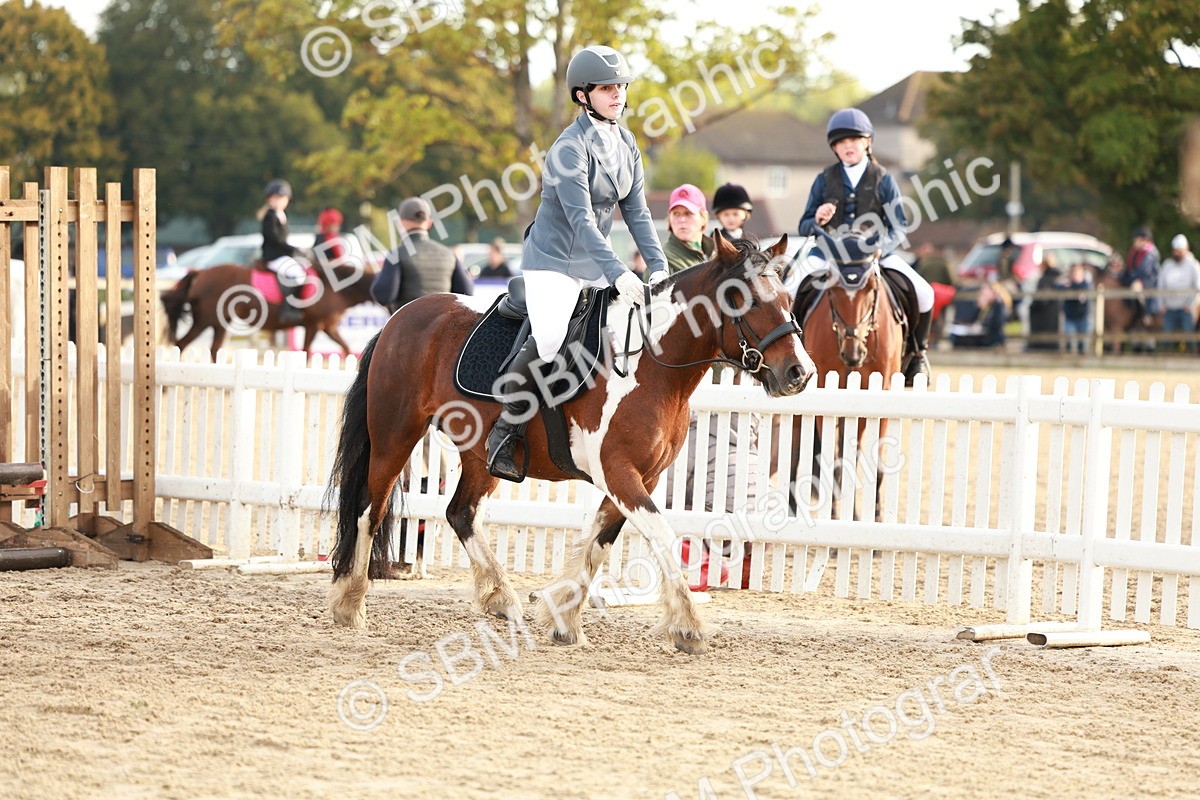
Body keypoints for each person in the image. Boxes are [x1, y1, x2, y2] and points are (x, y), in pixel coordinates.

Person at [485, 44, 668, 482]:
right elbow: (581, 219)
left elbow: (638, 212)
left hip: (595, 262)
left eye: (621, 87)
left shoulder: (626, 142)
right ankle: (504, 432)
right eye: (607, 89)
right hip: (553, 261)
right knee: (550, 340)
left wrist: (658, 265)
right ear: (583, 95)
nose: (618, 95)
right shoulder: (568, 148)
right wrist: (619, 271)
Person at [797, 108, 935, 384]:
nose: (847, 146)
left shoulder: (884, 179)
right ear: (834, 148)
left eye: (854, 140)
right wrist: (818, 220)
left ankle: (918, 354)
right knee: (790, 290)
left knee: (925, 292)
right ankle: (793, 353)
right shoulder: (824, 179)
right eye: (841, 142)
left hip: (874, 256)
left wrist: (880, 247)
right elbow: (803, 225)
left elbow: (899, 226)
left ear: (868, 142)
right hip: (830, 255)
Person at [370, 197, 459, 313]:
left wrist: (379, 276)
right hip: (444, 326)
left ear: (401, 223)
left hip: (408, 327)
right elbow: (466, 291)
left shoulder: (397, 254)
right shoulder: (449, 254)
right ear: (429, 223)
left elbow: (383, 296)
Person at [259, 179, 305, 324]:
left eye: (281, 198)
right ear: (269, 199)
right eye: (275, 198)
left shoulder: (281, 215)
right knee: (297, 274)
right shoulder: (270, 216)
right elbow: (275, 239)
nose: (278, 201)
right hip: (273, 256)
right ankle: (287, 308)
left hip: (281, 255)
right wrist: (293, 249)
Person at [1157, 234, 1200, 353]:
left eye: (1179, 251)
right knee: (1167, 337)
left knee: (1189, 336)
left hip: (1186, 308)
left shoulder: (1193, 265)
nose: (1177, 254)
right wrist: (1162, 304)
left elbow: (1197, 287)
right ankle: (1165, 360)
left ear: (1186, 250)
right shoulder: (1167, 265)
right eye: (1175, 251)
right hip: (1169, 307)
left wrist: (1190, 304)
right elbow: (1161, 286)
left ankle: (1191, 359)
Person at [1122, 227, 1161, 348]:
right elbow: (1129, 269)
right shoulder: (1136, 252)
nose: (1134, 242)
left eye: (1137, 239)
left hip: (1148, 284)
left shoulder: (1150, 253)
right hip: (1138, 280)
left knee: (1136, 288)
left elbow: (1144, 271)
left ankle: (1144, 314)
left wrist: (1132, 277)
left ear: (1144, 240)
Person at [663, 183, 715, 274]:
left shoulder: (716, 253)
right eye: (676, 214)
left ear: (703, 218)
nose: (682, 220)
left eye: (688, 213)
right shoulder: (661, 261)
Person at [949, 281, 1010, 349]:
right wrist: (978, 307)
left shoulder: (998, 305)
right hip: (981, 333)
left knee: (964, 341)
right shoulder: (986, 306)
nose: (982, 295)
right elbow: (973, 319)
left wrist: (982, 327)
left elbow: (998, 324)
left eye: (985, 293)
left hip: (991, 336)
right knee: (956, 337)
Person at [1026, 253, 1063, 351]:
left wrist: (1032, 307)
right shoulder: (1056, 278)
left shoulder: (1045, 280)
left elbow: (1041, 299)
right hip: (1052, 315)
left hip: (1042, 316)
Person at [1059, 262, 1092, 354]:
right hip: (1070, 317)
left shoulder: (1085, 285)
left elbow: (1081, 289)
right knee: (1068, 340)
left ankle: (1081, 362)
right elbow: (1059, 287)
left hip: (1082, 317)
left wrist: (1071, 286)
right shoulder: (1066, 284)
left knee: (1082, 342)